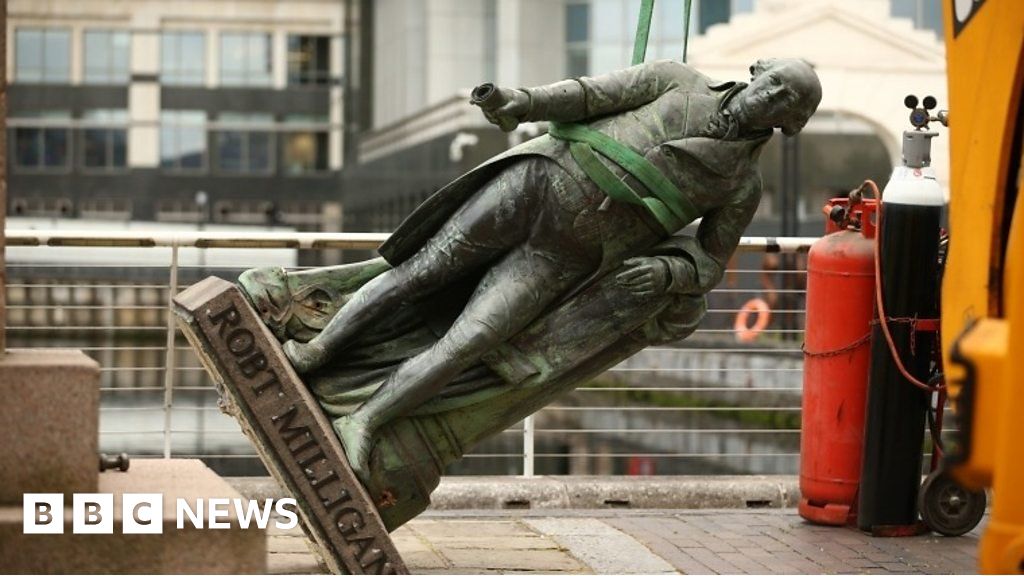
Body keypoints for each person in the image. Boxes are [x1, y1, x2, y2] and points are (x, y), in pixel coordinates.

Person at [283, 58, 822, 477]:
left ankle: (365, 421)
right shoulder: (675, 80)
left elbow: (710, 263)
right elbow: (589, 96)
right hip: (539, 184)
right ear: (757, 72)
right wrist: (524, 101)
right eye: (774, 81)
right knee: (422, 271)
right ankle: (316, 352)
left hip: (569, 256)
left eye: (786, 99)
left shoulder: (740, 187)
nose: (771, 96)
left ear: (789, 121)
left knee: (470, 341)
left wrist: (669, 274)